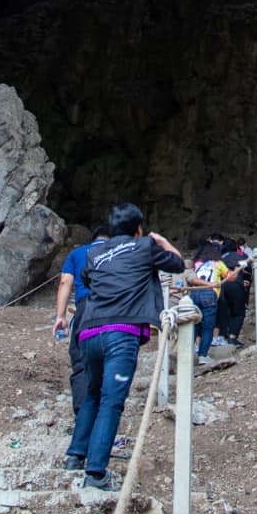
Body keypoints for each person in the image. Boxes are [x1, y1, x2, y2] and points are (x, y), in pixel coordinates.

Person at [64, 203, 187, 491]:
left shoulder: (94, 253)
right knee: (111, 400)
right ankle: (95, 473)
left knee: (93, 393)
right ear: (139, 229)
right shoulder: (144, 246)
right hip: (121, 332)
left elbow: (86, 280)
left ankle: (75, 455)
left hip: (89, 332)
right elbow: (178, 264)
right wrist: (162, 242)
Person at [51, 227, 109, 426]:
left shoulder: (77, 254)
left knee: (82, 364)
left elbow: (65, 281)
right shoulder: (120, 251)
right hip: (115, 310)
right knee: (110, 362)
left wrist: (61, 316)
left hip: (86, 310)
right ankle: (105, 420)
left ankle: (83, 420)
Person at [185, 247, 228, 363]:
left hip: (194, 293)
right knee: (208, 327)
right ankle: (203, 355)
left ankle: (188, 353)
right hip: (209, 293)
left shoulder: (198, 263)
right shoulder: (219, 263)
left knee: (194, 324)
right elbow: (229, 276)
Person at [212, 239, 252, 349]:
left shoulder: (219, 258)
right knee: (239, 312)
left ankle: (222, 336)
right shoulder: (240, 256)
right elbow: (249, 270)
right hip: (236, 284)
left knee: (224, 311)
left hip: (221, 285)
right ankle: (232, 337)